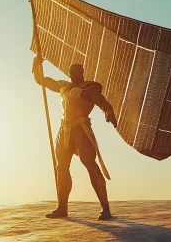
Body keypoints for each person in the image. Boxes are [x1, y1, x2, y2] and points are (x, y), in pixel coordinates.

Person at [32, 56, 117, 220]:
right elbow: (42, 81)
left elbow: (102, 102)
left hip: (82, 130)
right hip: (65, 130)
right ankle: (62, 207)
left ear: (82, 72)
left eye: (75, 72)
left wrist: (109, 112)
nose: (72, 75)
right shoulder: (64, 87)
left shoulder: (89, 89)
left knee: (90, 164)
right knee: (61, 166)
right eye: (70, 72)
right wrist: (36, 66)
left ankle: (105, 208)